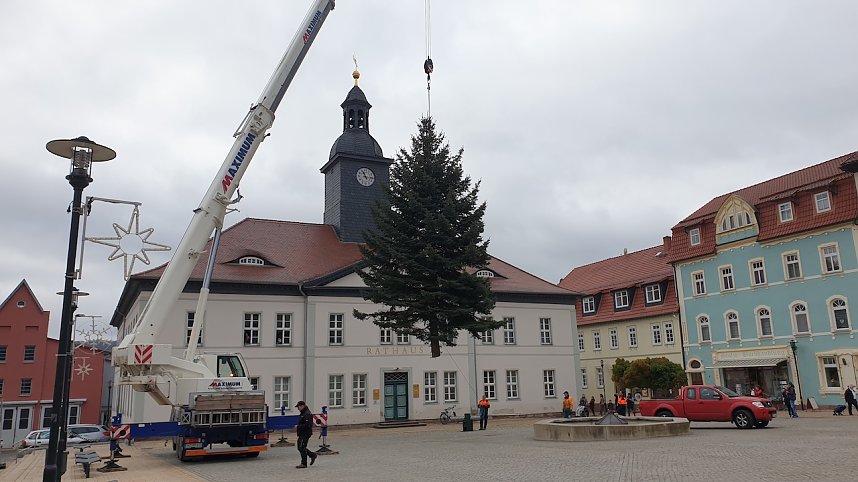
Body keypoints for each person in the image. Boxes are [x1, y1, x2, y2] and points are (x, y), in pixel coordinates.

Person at [294, 401, 317, 469]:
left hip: (305, 433)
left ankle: (304, 463)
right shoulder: (303, 413)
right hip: (302, 433)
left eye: (298, 407)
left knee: (301, 447)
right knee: (300, 447)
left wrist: (298, 426)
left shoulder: (307, 414)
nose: (298, 408)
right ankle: (312, 455)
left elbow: (308, 425)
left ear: (302, 406)